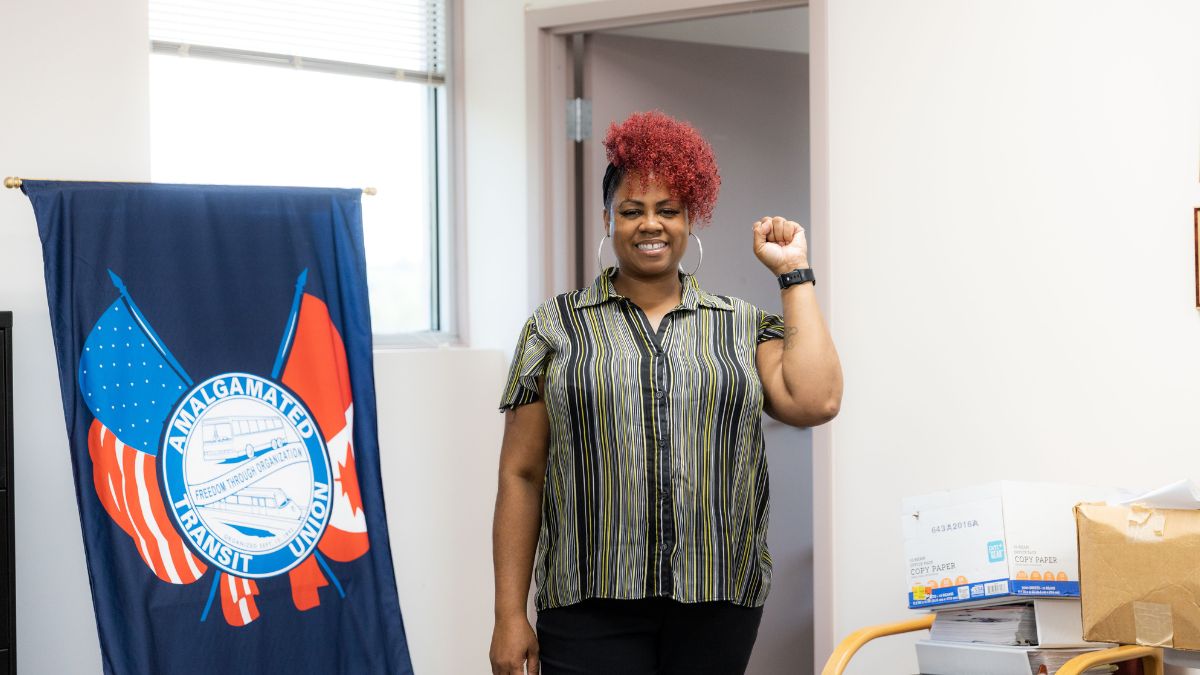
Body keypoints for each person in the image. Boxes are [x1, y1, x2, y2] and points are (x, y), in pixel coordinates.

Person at [490, 110, 842, 675]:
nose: (649, 225)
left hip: (718, 598)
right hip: (587, 603)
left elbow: (816, 400)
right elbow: (521, 474)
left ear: (689, 219)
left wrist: (793, 273)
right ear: (608, 220)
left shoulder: (740, 324)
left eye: (667, 211)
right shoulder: (554, 328)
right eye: (631, 210)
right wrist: (509, 614)